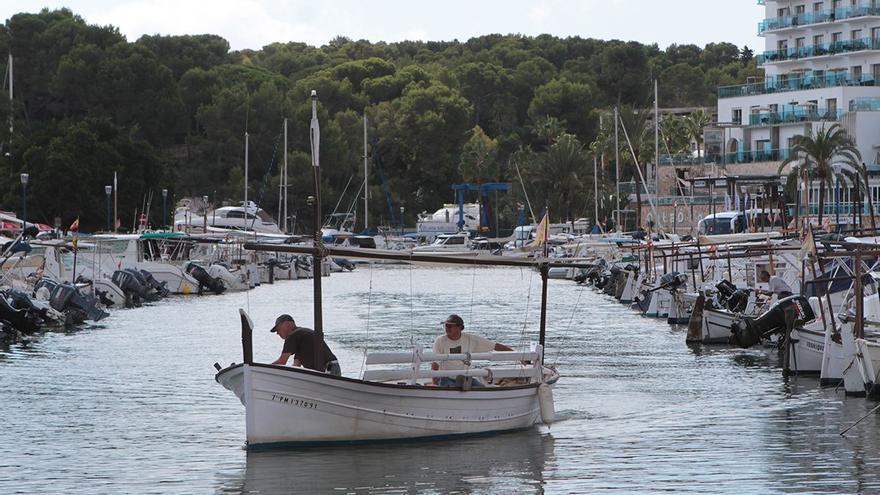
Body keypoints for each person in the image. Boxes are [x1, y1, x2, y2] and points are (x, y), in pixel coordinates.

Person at [431, 314, 512, 387]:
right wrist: (434, 384)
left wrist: (517, 355)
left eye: (450, 326)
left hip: (466, 377)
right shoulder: (440, 341)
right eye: (446, 325)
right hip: (447, 378)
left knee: (482, 390)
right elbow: (435, 363)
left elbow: (495, 346)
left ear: (460, 327)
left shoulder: (470, 339)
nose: (447, 328)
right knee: (451, 390)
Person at [270, 314, 341, 376]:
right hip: (334, 367)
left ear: (287, 324)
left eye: (278, 329)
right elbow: (296, 366)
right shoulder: (301, 336)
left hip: (328, 369)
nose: (277, 333)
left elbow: (282, 362)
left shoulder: (293, 336)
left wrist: (264, 370)